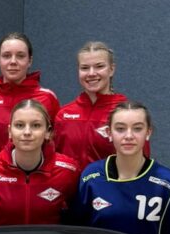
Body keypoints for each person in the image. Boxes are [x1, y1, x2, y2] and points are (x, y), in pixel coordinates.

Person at [72, 101, 170, 234]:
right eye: (120, 129)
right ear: (109, 133)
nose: (129, 136)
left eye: (137, 128)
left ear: (148, 132)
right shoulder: (91, 177)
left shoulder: (169, 184)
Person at [0, 100, 78, 226]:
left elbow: (73, 217)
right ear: (10, 131)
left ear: (48, 132)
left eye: (36, 125)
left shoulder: (68, 170)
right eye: (19, 125)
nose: (27, 132)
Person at [54, 41, 147, 171]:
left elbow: (142, 165)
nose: (91, 73)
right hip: (71, 191)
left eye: (99, 66)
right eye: (85, 68)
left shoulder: (127, 113)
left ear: (111, 69)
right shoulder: (63, 115)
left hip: (110, 190)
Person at [0, 33, 60, 159]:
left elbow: (56, 143)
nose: (13, 61)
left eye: (20, 56)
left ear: (30, 61)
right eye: (6, 56)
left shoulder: (47, 98)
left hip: (36, 175)